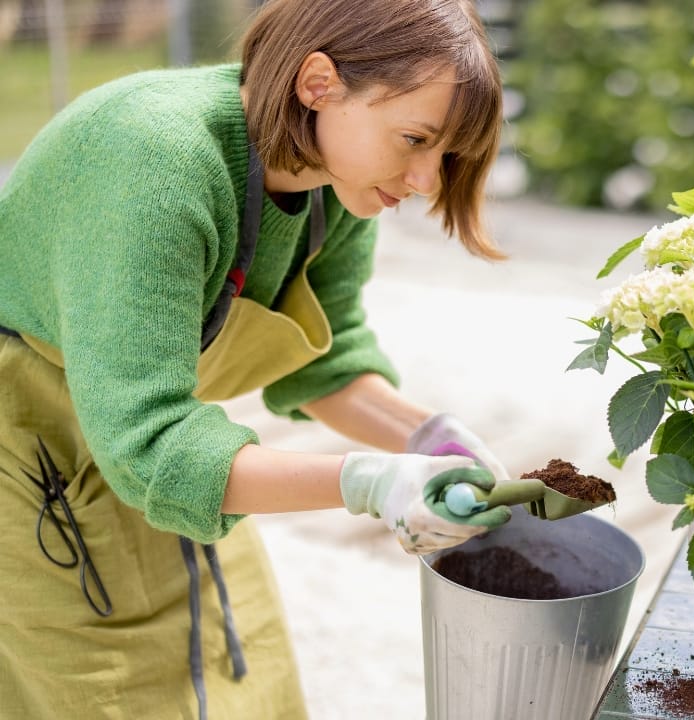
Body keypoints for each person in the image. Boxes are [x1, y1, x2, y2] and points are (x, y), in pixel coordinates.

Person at [0, 0, 515, 717]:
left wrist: (427, 438)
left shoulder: (341, 187)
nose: (426, 180)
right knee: (109, 690)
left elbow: (322, 364)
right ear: (319, 84)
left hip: (152, 430)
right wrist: (367, 483)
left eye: (446, 155)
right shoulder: (155, 159)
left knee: (242, 664)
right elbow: (151, 445)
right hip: (27, 444)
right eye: (415, 139)